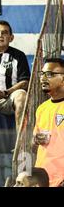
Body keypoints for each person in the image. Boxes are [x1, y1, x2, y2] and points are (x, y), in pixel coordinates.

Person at [32, 58, 64, 187]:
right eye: (42, 73)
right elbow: (34, 142)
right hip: (42, 179)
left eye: (50, 74)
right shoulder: (42, 108)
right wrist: (36, 139)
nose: (43, 78)